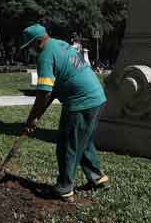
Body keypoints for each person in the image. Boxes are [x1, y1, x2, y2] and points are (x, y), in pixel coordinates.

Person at [20, 24, 109, 201]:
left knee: (67, 144)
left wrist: (31, 118)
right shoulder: (59, 45)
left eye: (29, 46)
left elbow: (45, 92)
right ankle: (98, 178)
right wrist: (37, 116)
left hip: (82, 102)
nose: (30, 51)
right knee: (82, 141)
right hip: (97, 98)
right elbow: (52, 91)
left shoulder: (45, 55)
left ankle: (64, 188)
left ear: (38, 42)